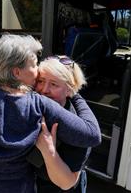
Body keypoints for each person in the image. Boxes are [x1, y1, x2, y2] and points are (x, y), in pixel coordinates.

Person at [0, 34, 101, 193]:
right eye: (35, 64)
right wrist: (75, 94)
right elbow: (92, 134)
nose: (38, 71)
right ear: (17, 72)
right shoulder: (39, 105)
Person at [32, 55, 95, 192]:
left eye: (54, 84)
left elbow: (67, 182)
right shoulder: (34, 105)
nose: (44, 90)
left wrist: (49, 152)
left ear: (69, 90)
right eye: (41, 81)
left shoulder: (77, 126)